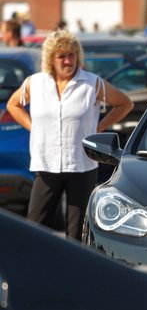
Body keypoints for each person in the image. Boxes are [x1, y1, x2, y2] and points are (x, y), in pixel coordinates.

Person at [5, 30, 134, 240]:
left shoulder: (92, 83)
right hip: (46, 164)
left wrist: (98, 127)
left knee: (77, 233)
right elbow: (13, 105)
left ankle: (74, 272)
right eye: (62, 56)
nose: (67, 61)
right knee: (35, 226)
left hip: (81, 166)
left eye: (72, 55)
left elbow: (124, 103)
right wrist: (32, 127)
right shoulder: (35, 83)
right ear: (51, 59)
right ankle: (32, 270)